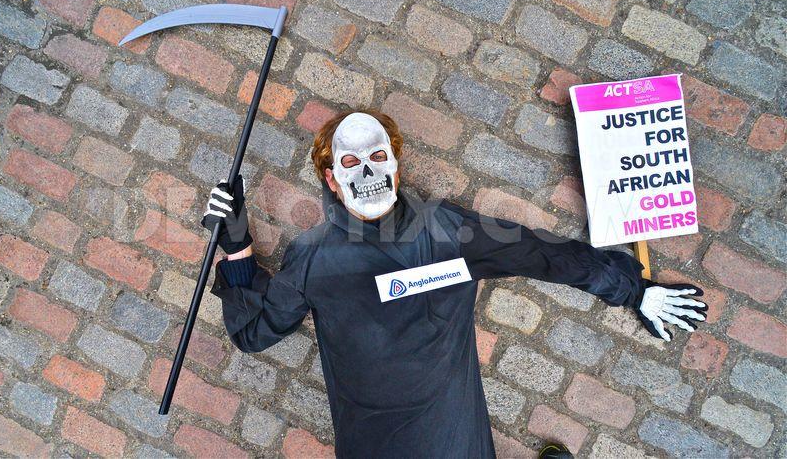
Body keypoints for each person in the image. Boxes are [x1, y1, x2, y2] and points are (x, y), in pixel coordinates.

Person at [202, 109, 706, 459]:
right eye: (351, 163)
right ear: (331, 180)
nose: (368, 171)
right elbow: (257, 332)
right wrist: (237, 242)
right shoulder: (314, 257)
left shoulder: (446, 230)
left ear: (395, 165)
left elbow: (537, 253)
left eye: (377, 156)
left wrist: (633, 289)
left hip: (450, 431)